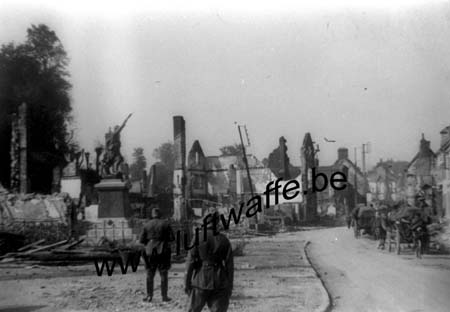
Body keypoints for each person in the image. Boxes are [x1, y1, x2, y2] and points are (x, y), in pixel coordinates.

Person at [184, 212, 234, 312]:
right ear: (217, 223)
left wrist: (187, 283)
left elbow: (190, 263)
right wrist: (229, 286)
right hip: (219, 281)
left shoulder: (198, 238)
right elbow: (229, 266)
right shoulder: (224, 240)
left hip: (200, 280)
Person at [139, 207, 174, 302]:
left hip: (150, 251)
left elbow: (141, 240)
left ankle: (149, 295)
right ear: (160, 215)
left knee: (150, 274)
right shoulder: (166, 224)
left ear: (152, 215)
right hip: (163, 251)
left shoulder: (146, 225)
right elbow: (172, 238)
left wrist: (150, 243)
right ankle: (164, 296)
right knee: (163, 274)